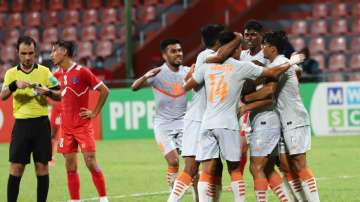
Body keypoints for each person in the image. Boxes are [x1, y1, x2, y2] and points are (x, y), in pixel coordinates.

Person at [184, 31, 305, 202]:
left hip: (210, 123)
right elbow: (272, 75)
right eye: (240, 46)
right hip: (230, 123)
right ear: (235, 48)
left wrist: (190, 75)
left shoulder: (207, 64)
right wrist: (292, 62)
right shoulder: (242, 67)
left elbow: (186, 86)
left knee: (210, 169)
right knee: (240, 169)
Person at [1, 36, 61, 202]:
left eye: (30, 53)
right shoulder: (11, 73)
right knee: (16, 168)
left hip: (41, 125)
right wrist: (14, 85)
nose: (27, 57)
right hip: (21, 125)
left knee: (42, 168)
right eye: (23, 53)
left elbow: (60, 94)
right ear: (17, 53)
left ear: (35, 53)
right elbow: (3, 95)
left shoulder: (45, 72)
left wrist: (47, 92)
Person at [262, 31, 320, 202]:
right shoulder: (284, 63)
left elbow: (270, 79)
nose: (262, 48)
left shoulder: (280, 64)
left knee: (299, 164)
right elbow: (298, 72)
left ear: (272, 48)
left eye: (264, 45)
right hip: (284, 120)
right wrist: (294, 64)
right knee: (286, 167)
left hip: (294, 117)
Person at [51, 40, 110, 202]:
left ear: (64, 52)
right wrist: (45, 91)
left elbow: (104, 90)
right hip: (66, 128)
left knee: (90, 162)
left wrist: (94, 112)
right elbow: (60, 94)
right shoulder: (58, 75)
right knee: (70, 166)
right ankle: (75, 200)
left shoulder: (82, 72)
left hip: (82, 126)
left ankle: (103, 198)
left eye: (54, 51)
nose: (51, 55)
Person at [131, 38, 189, 190]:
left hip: (184, 123)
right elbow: (134, 87)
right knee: (174, 162)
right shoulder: (158, 73)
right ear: (164, 55)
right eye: (174, 51)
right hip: (163, 125)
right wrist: (145, 76)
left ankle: (191, 193)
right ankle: (173, 191)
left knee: (192, 163)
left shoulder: (187, 72)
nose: (178, 54)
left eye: (180, 50)